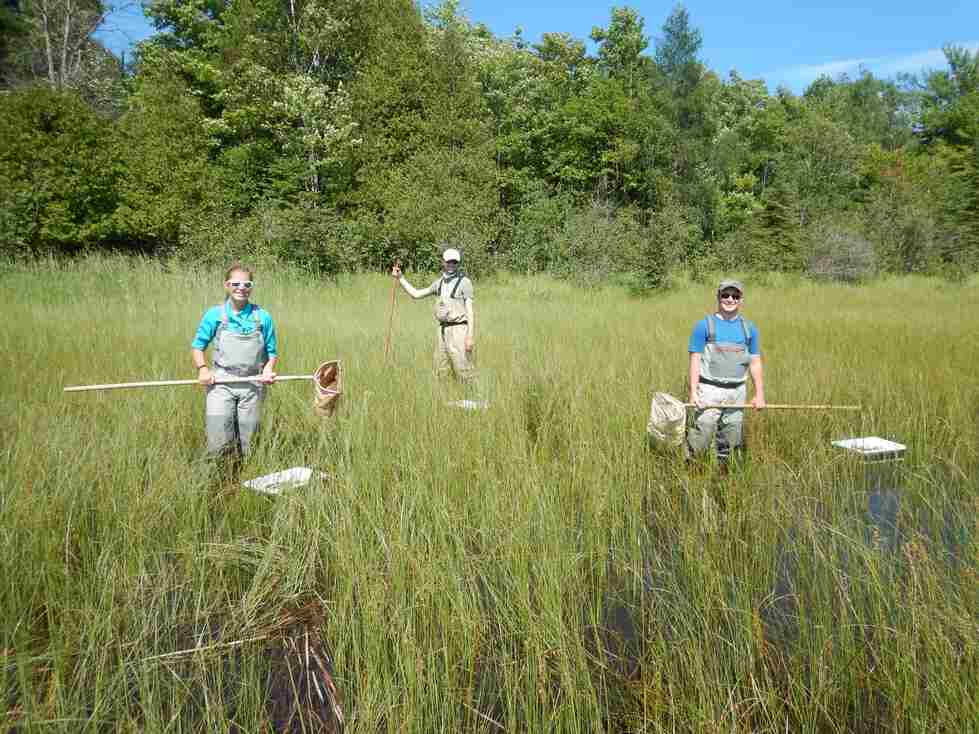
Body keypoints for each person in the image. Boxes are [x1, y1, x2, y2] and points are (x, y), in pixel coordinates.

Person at [191, 264, 278, 458]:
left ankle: (248, 476)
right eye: (236, 283)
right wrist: (203, 370)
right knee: (219, 441)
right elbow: (198, 347)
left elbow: (271, 352)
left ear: (251, 287)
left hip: (253, 384)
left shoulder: (263, 317)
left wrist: (268, 369)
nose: (241, 288)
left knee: (251, 441)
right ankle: (221, 476)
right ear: (227, 285)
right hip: (221, 382)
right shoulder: (214, 315)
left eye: (247, 284)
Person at [686, 279, 765, 468]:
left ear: (741, 300)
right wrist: (694, 391)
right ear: (718, 297)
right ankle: (690, 473)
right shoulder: (703, 325)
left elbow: (755, 362)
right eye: (726, 295)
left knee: (730, 440)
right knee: (701, 437)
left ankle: (724, 477)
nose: (730, 299)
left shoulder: (750, 329)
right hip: (709, 390)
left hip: (737, 392)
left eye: (735, 296)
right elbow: (695, 359)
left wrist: (759, 394)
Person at [391, 247, 476, 384]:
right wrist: (401, 278)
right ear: (443, 262)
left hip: (459, 330)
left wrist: (470, 337)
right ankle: (445, 399)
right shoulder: (439, 283)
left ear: (458, 263)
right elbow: (416, 294)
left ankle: (471, 397)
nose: (451, 265)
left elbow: (470, 311)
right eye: (449, 262)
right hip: (442, 331)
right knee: (440, 368)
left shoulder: (465, 282)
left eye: (454, 262)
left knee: (463, 368)